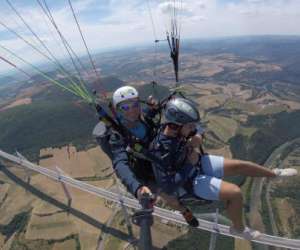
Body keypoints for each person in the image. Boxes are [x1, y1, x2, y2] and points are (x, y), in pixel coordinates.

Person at [151, 97, 298, 239]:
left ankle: (273, 174)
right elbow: (168, 187)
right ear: (176, 126)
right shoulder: (160, 150)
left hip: (197, 163)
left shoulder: (174, 129)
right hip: (190, 182)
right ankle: (238, 229)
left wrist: (196, 140)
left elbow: (198, 131)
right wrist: (189, 162)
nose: (193, 128)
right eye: (190, 126)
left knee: (241, 165)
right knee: (235, 193)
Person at [94, 86, 198, 226]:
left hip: (158, 157)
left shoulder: (142, 119)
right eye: (125, 107)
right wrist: (137, 188)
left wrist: (158, 107)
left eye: (135, 105)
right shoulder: (117, 136)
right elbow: (120, 163)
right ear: (118, 109)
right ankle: (185, 211)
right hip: (146, 171)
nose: (132, 110)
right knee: (169, 197)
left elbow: (148, 114)